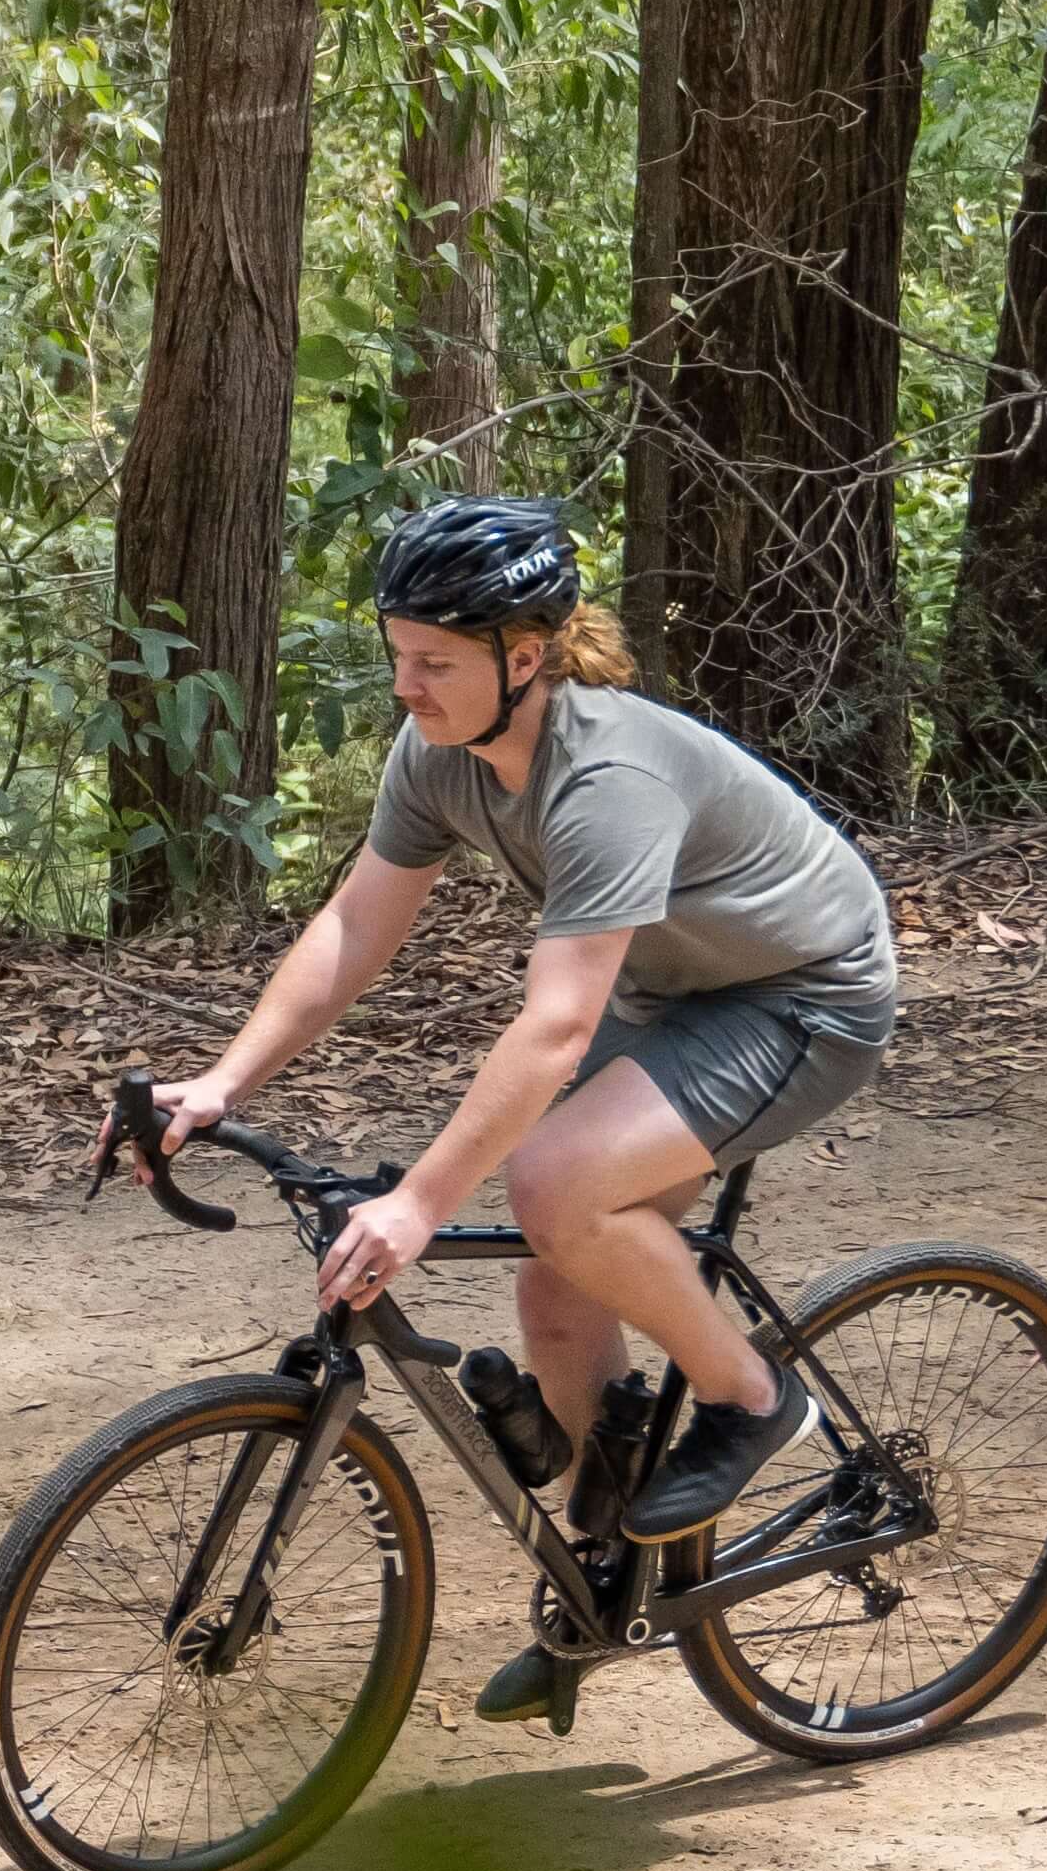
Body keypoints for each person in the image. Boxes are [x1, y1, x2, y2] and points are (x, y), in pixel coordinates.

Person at [157, 490, 898, 1719]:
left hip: (802, 995)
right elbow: (353, 927)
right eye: (397, 654)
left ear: (525, 656)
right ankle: (606, 1575)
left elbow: (553, 1029)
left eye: (434, 663)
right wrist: (221, 1081)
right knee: (557, 1281)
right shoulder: (438, 754)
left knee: (553, 1185)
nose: (406, 687)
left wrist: (414, 1203)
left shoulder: (605, 777)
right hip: (670, 990)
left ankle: (750, 1397)